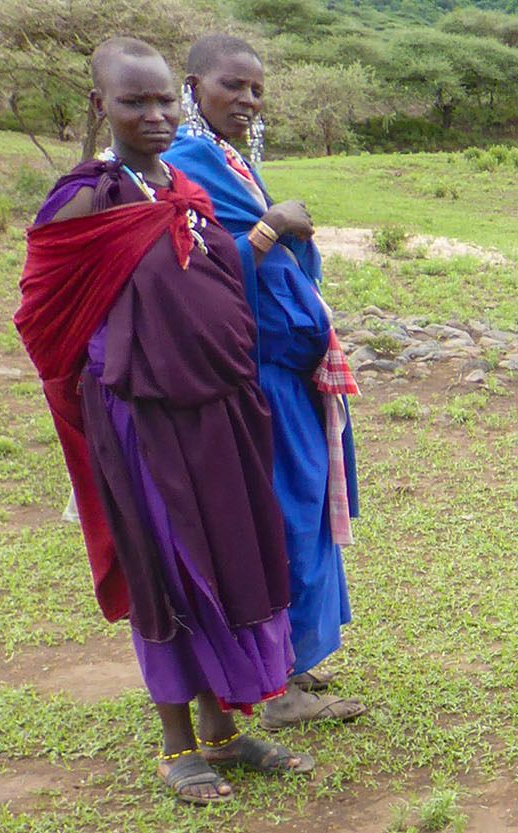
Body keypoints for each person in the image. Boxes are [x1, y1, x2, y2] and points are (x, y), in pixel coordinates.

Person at [15, 38, 313, 803]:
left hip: (220, 410)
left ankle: (224, 730)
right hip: (142, 421)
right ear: (100, 106)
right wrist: (106, 378)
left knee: (226, 560)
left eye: (161, 103)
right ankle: (176, 745)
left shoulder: (184, 185)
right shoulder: (84, 199)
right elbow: (43, 314)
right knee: (169, 569)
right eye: (132, 102)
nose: (152, 116)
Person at [165, 35, 367, 730]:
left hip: (292, 371)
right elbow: (199, 275)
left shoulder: (229, 160)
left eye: (257, 89)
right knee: (279, 518)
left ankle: (294, 658)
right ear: (194, 87)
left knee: (309, 513)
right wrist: (270, 228)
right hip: (257, 378)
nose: (248, 101)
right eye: (233, 86)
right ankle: (274, 685)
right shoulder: (183, 165)